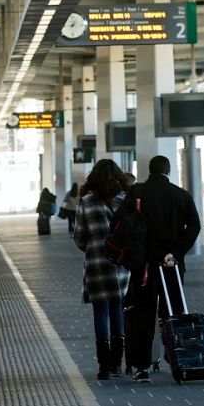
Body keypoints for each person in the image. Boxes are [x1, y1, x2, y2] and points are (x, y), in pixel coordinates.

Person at [125, 155, 201, 383]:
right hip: (171, 264)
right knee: (174, 312)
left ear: (149, 170)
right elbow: (194, 226)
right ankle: (180, 361)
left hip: (144, 266)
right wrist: (176, 252)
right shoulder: (181, 195)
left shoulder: (137, 193)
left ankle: (141, 367)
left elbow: (120, 222)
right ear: (169, 171)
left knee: (143, 314)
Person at [71, 160, 134, 380]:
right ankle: (117, 362)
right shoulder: (125, 199)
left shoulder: (86, 201)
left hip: (96, 263)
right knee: (118, 307)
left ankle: (104, 366)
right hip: (121, 264)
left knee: (100, 311)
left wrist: (92, 247)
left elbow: (79, 237)